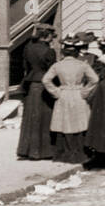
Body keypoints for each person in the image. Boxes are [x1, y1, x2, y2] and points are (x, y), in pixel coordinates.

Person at [40, 34, 100, 164]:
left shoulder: (58, 65)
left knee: (64, 123)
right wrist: (85, 91)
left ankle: (64, 154)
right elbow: (95, 79)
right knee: (79, 123)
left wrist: (55, 92)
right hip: (78, 94)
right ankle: (79, 153)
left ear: (63, 51)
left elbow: (46, 80)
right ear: (77, 52)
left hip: (63, 94)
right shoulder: (82, 65)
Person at [16, 24, 57, 160]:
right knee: (45, 118)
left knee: (30, 118)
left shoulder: (28, 48)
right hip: (44, 85)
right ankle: (45, 151)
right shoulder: (49, 52)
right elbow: (52, 71)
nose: (52, 39)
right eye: (51, 36)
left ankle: (27, 150)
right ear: (46, 36)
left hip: (31, 84)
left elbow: (25, 67)